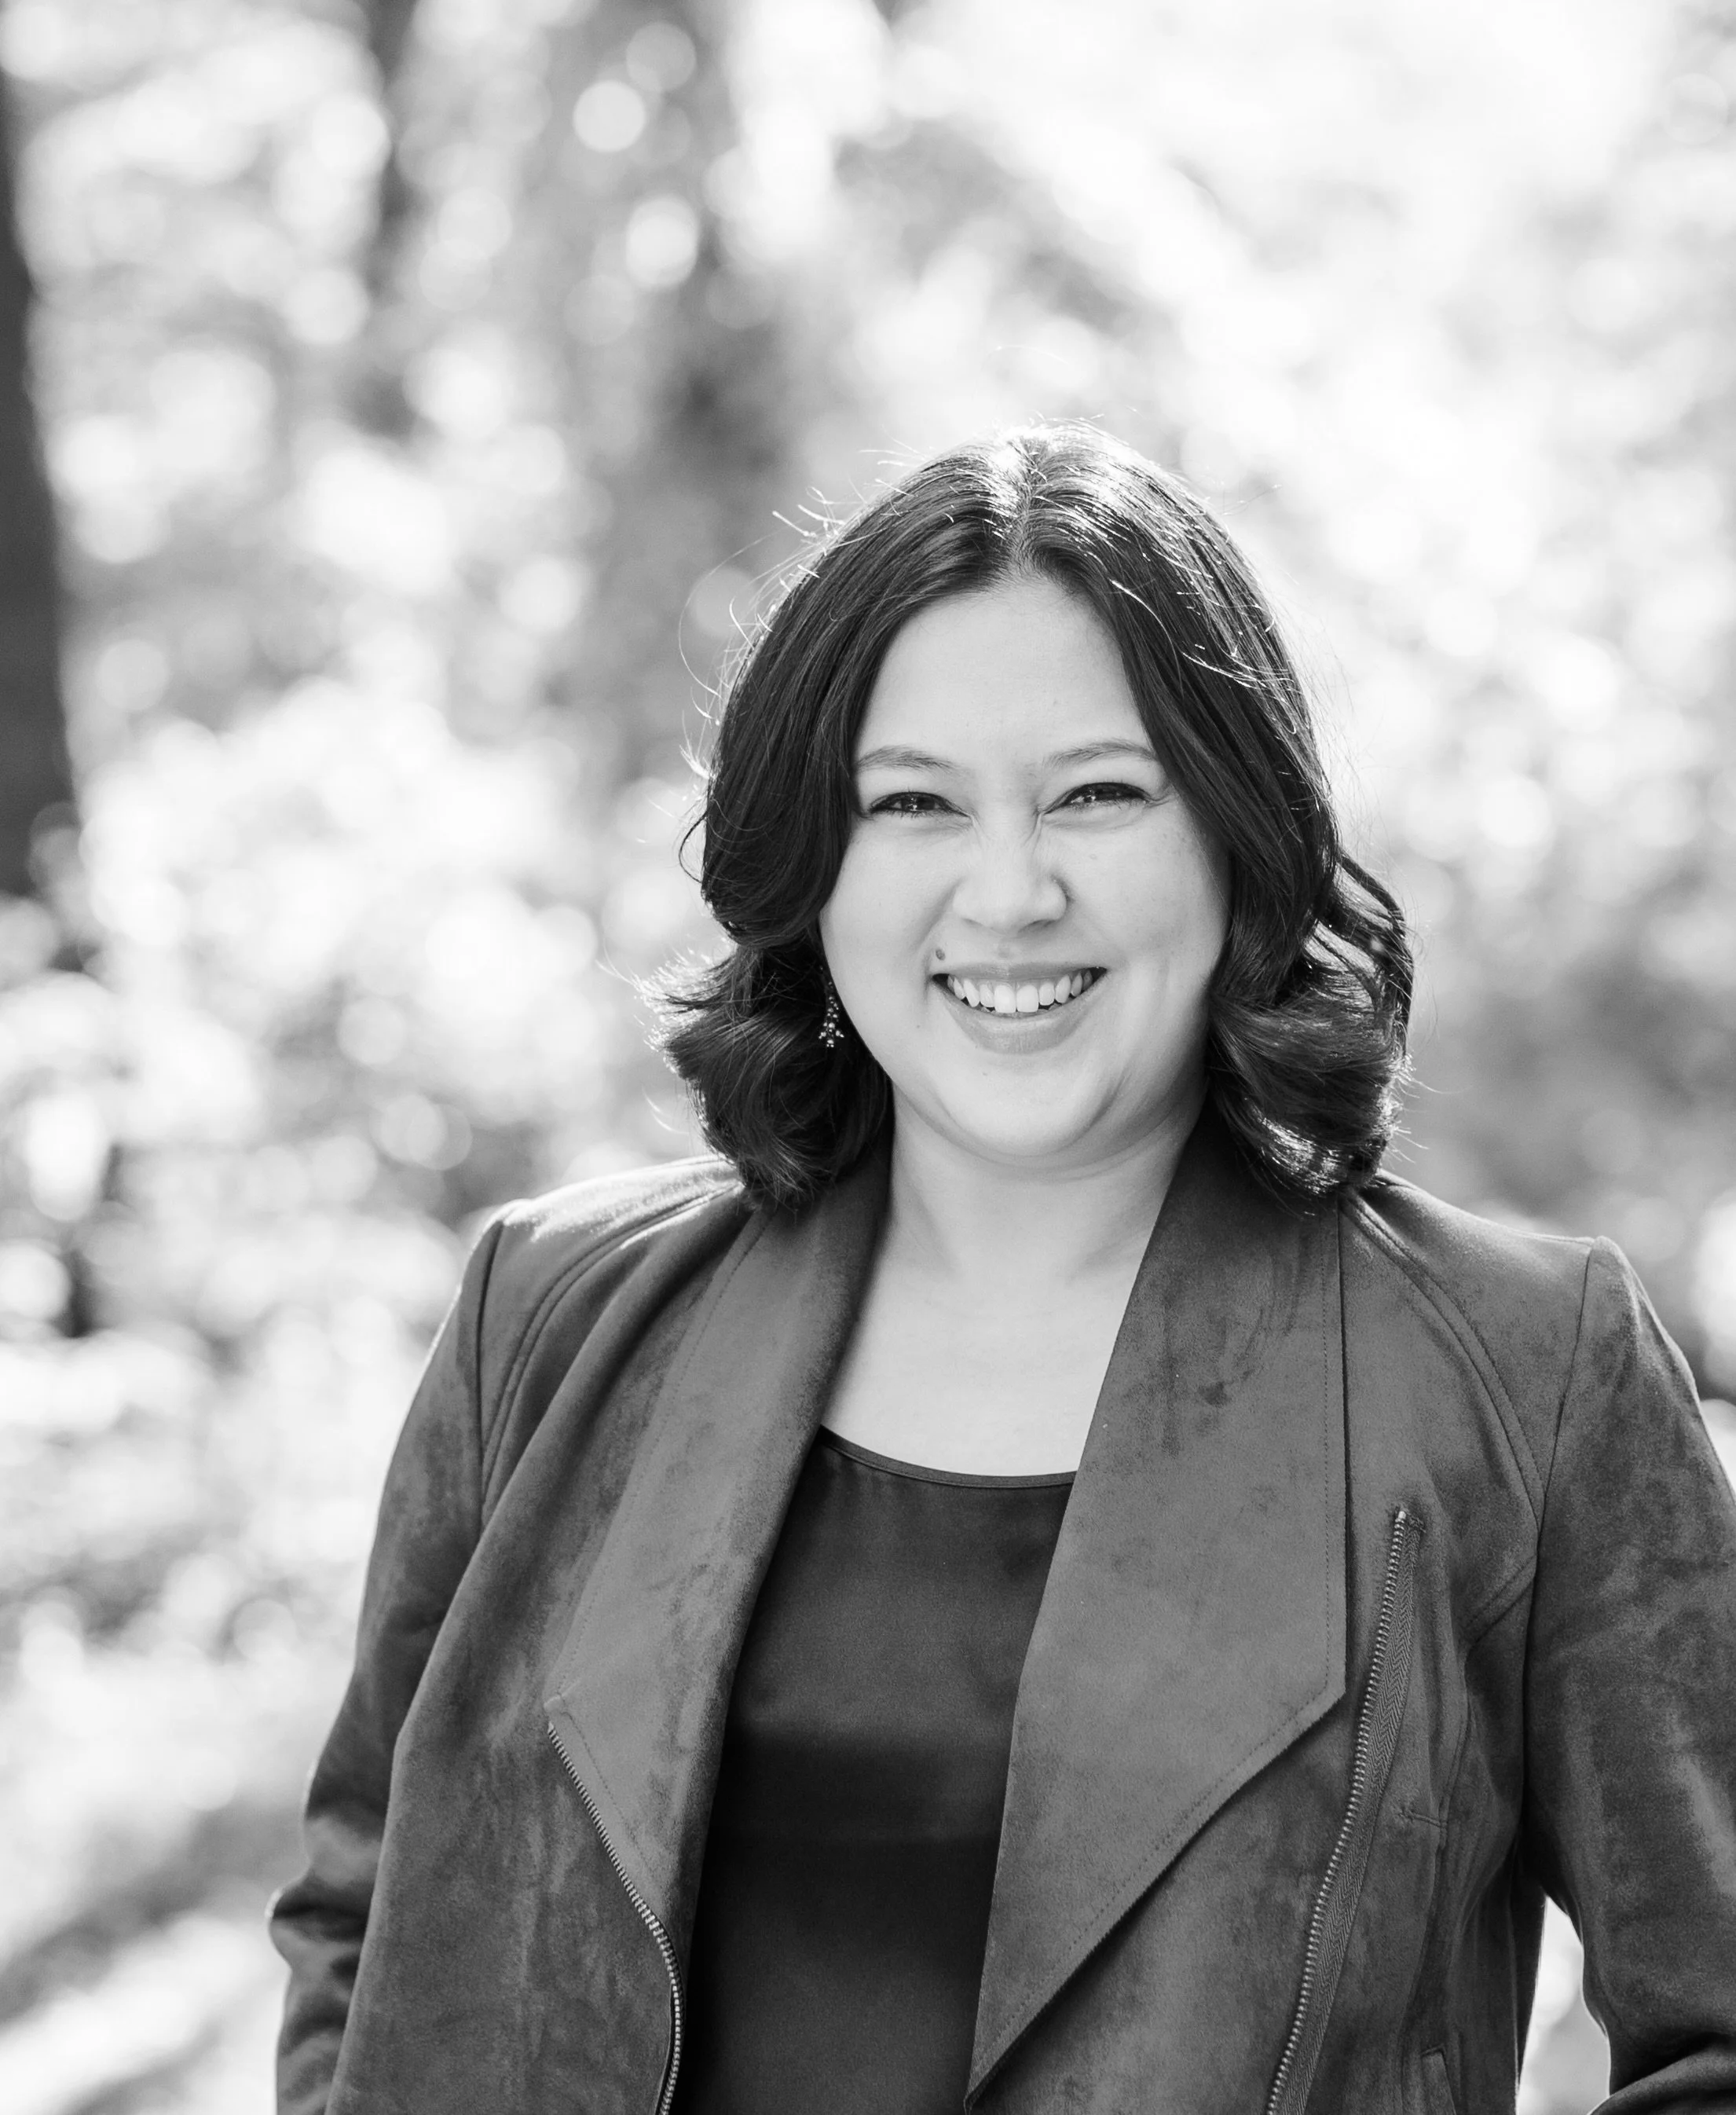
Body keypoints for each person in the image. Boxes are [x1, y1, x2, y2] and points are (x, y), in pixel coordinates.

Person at [270, 426, 1736, 2115]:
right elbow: (364, 1920)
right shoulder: (546, 1317)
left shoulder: (1522, 1370)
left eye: (1098, 793)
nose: (1009, 889)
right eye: (912, 803)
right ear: (809, 863)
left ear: (1235, 837)